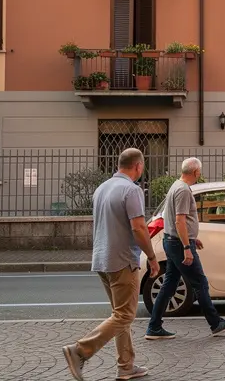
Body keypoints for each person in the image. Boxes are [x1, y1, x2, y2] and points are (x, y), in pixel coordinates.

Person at [62, 148, 160, 381]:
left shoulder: (101, 188)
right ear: (138, 166)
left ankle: (125, 366)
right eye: (142, 166)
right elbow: (138, 227)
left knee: (119, 315)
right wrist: (152, 257)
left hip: (102, 259)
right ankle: (79, 351)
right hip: (123, 260)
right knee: (125, 315)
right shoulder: (132, 190)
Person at [145, 157, 225, 341]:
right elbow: (179, 220)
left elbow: (177, 221)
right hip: (179, 245)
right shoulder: (183, 191)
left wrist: (191, 238)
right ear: (196, 172)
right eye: (200, 172)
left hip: (173, 241)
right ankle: (216, 323)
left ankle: (154, 327)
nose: (200, 175)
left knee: (169, 285)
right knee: (200, 283)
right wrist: (187, 246)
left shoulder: (176, 186)